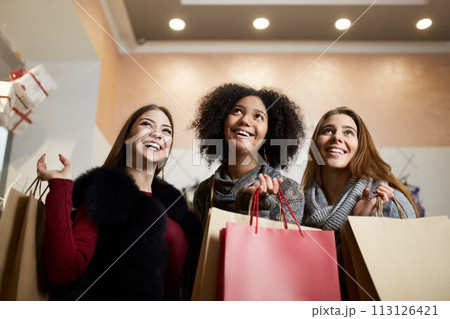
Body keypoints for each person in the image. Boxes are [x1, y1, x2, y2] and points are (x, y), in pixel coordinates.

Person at [37, 104, 201, 301]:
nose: (158, 134)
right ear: (126, 138)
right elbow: (63, 270)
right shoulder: (105, 192)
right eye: (147, 125)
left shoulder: (177, 208)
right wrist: (61, 185)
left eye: (166, 131)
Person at [191, 83, 305, 227]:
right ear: (221, 121)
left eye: (258, 116)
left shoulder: (288, 191)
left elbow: (287, 248)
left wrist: (259, 210)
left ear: (269, 133)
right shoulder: (204, 191)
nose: (245, 120)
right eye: (237, 111)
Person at [302, 106, 418, 230]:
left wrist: (361, 223)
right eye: (328, 130)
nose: (336, 137)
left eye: (348, 132)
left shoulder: (388, 203)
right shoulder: (298, 206)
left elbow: (410, 248)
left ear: (361, 147)